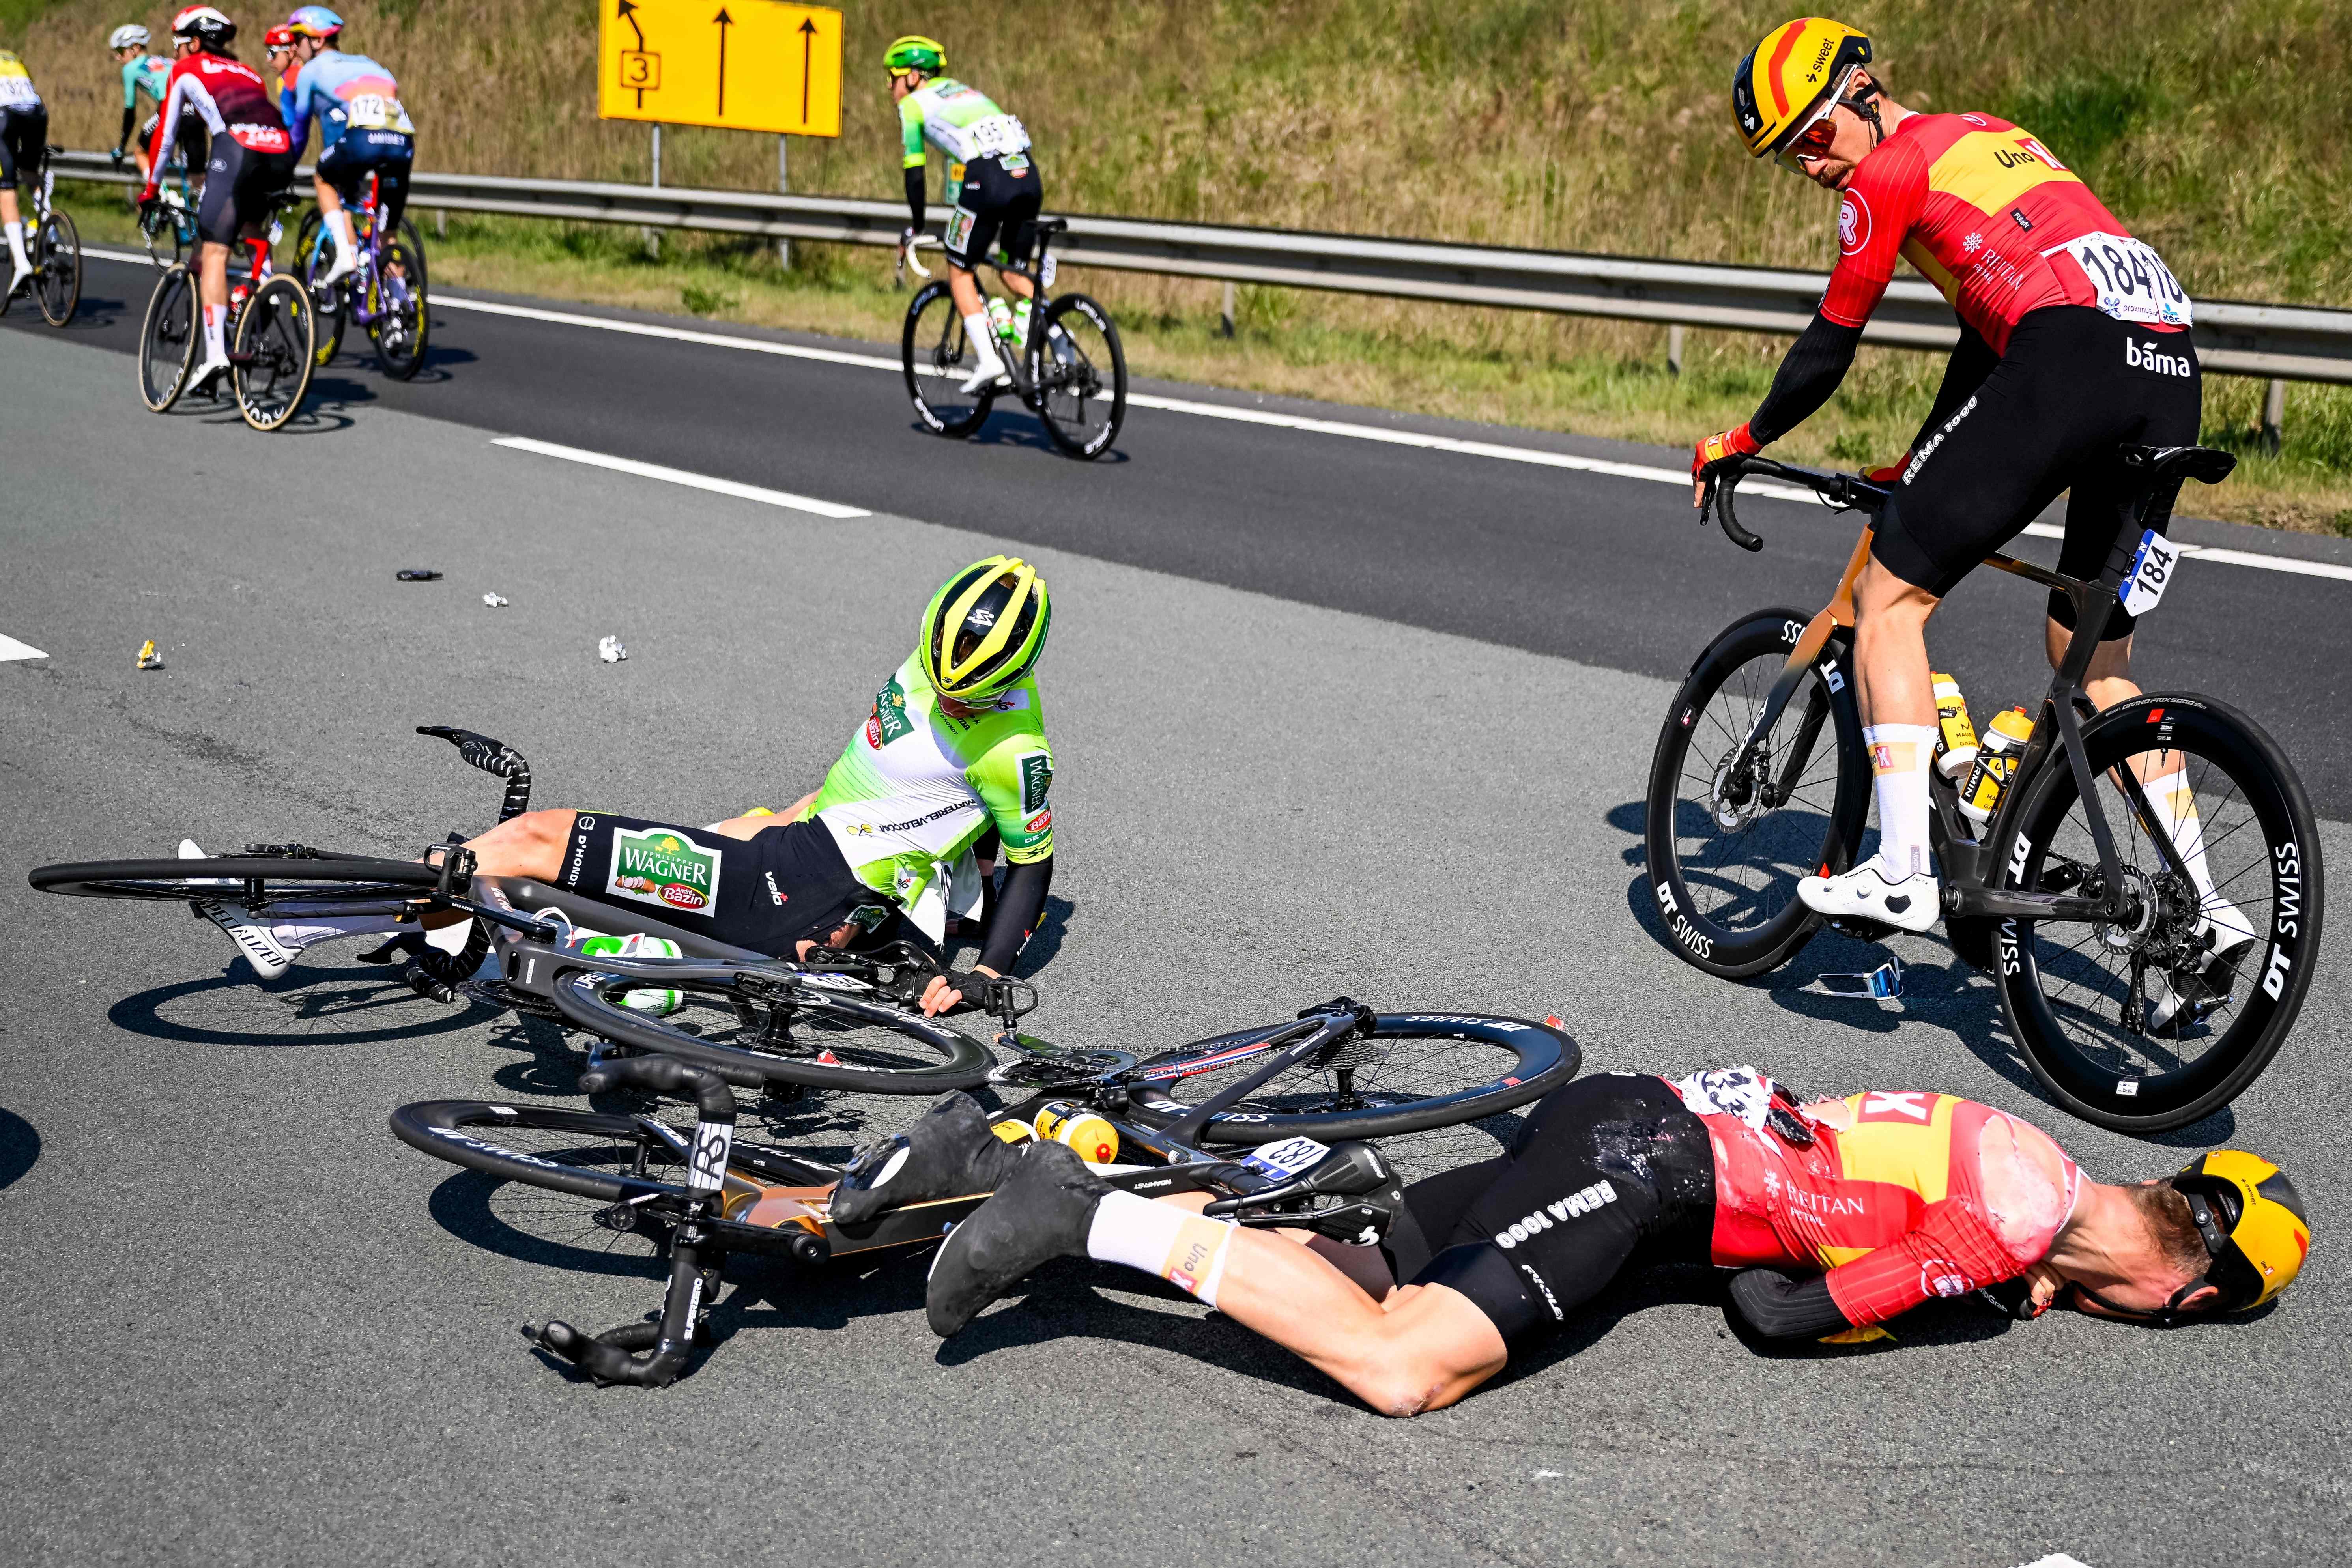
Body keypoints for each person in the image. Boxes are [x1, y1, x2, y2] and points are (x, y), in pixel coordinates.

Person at [1686, 21, 2236, 1014]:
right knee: (2091, 660)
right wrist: (1922, 459)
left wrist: (1741, 437)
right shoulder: (1988, 139)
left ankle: (1900, 865)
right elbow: (1990, 344)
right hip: (2165, 368)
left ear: (1858, 92)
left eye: (1811, 136)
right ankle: (2203, 903)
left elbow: (1830, 341)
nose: (1809, 165)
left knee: (1887, 599)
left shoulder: (1885, 170)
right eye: (1786, 156)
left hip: (2070, 359)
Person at [880, 1067, 2309, 1415]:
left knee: (1340, 1274)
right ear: (2184, 1290)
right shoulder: (2010, 1223)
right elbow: (1775, 1313)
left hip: (1632, 1117)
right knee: (1401, 1365)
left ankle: (995, 1161)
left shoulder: (2031, 1158)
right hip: (1645, 1171)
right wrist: (1949, 1293)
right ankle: (1087, 1209)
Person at [189, 557, 1060, 1019]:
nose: (947, 694)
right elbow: (879, 787)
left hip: (799, 889)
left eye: (968, 694)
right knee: (535, 885)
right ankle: (321, 926)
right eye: (939, 673)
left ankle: (298, 918)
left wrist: (987, 970)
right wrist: (775, 819)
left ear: (1013, 674)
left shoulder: (1015, 748)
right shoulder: (933, 657)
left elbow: (1031, 862)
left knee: (534, 840)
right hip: (784, 847)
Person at [136, 7, 298, 392]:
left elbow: (165, 138)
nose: (174, 52)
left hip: (238, 149)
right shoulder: (250, 72)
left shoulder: (185, 69)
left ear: (194, 43)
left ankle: (215, 355)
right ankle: (261, 289)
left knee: (214, 251)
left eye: (177, 44)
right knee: (252, 226)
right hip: (281, 151)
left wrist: (151, 191)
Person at [885, 36, 1042, 393]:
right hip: (1028, 175)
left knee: (959, 268)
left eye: (892, 77)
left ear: (913, 77)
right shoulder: (967, 92)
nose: (890, 87)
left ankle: (989, 361)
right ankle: (1062, 346)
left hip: (988, 179)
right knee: (1015, 273)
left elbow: (915, 172)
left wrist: (916, 227)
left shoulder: (912, 105)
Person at [279, 6, 413, 287]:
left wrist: (284, 168)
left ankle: (346, 254)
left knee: (323, 178)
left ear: (317, 40)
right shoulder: (369, 63)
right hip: (402, 141)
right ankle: (399, 300)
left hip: (364, 140)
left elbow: (300, 133)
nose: (294, 47)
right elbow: (391, 90)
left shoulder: (309, 72)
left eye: (298, 39)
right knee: (387, 235)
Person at [108, 24, 195, 190]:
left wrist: (121, 148)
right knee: (191, 165)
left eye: (121, 51)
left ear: (135, 48)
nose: (118, 57)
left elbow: (130, 112)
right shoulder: (166, 61)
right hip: (192, 106)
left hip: (170, 106)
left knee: (141, 152)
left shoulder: (130, 69)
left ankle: (160, 194)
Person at [0, 45, 47, 303]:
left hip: (4, 115)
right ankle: (48, 224)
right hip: (36, 111)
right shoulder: (11, 56)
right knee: (29, 170)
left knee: (6, 189)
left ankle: (21, 264)